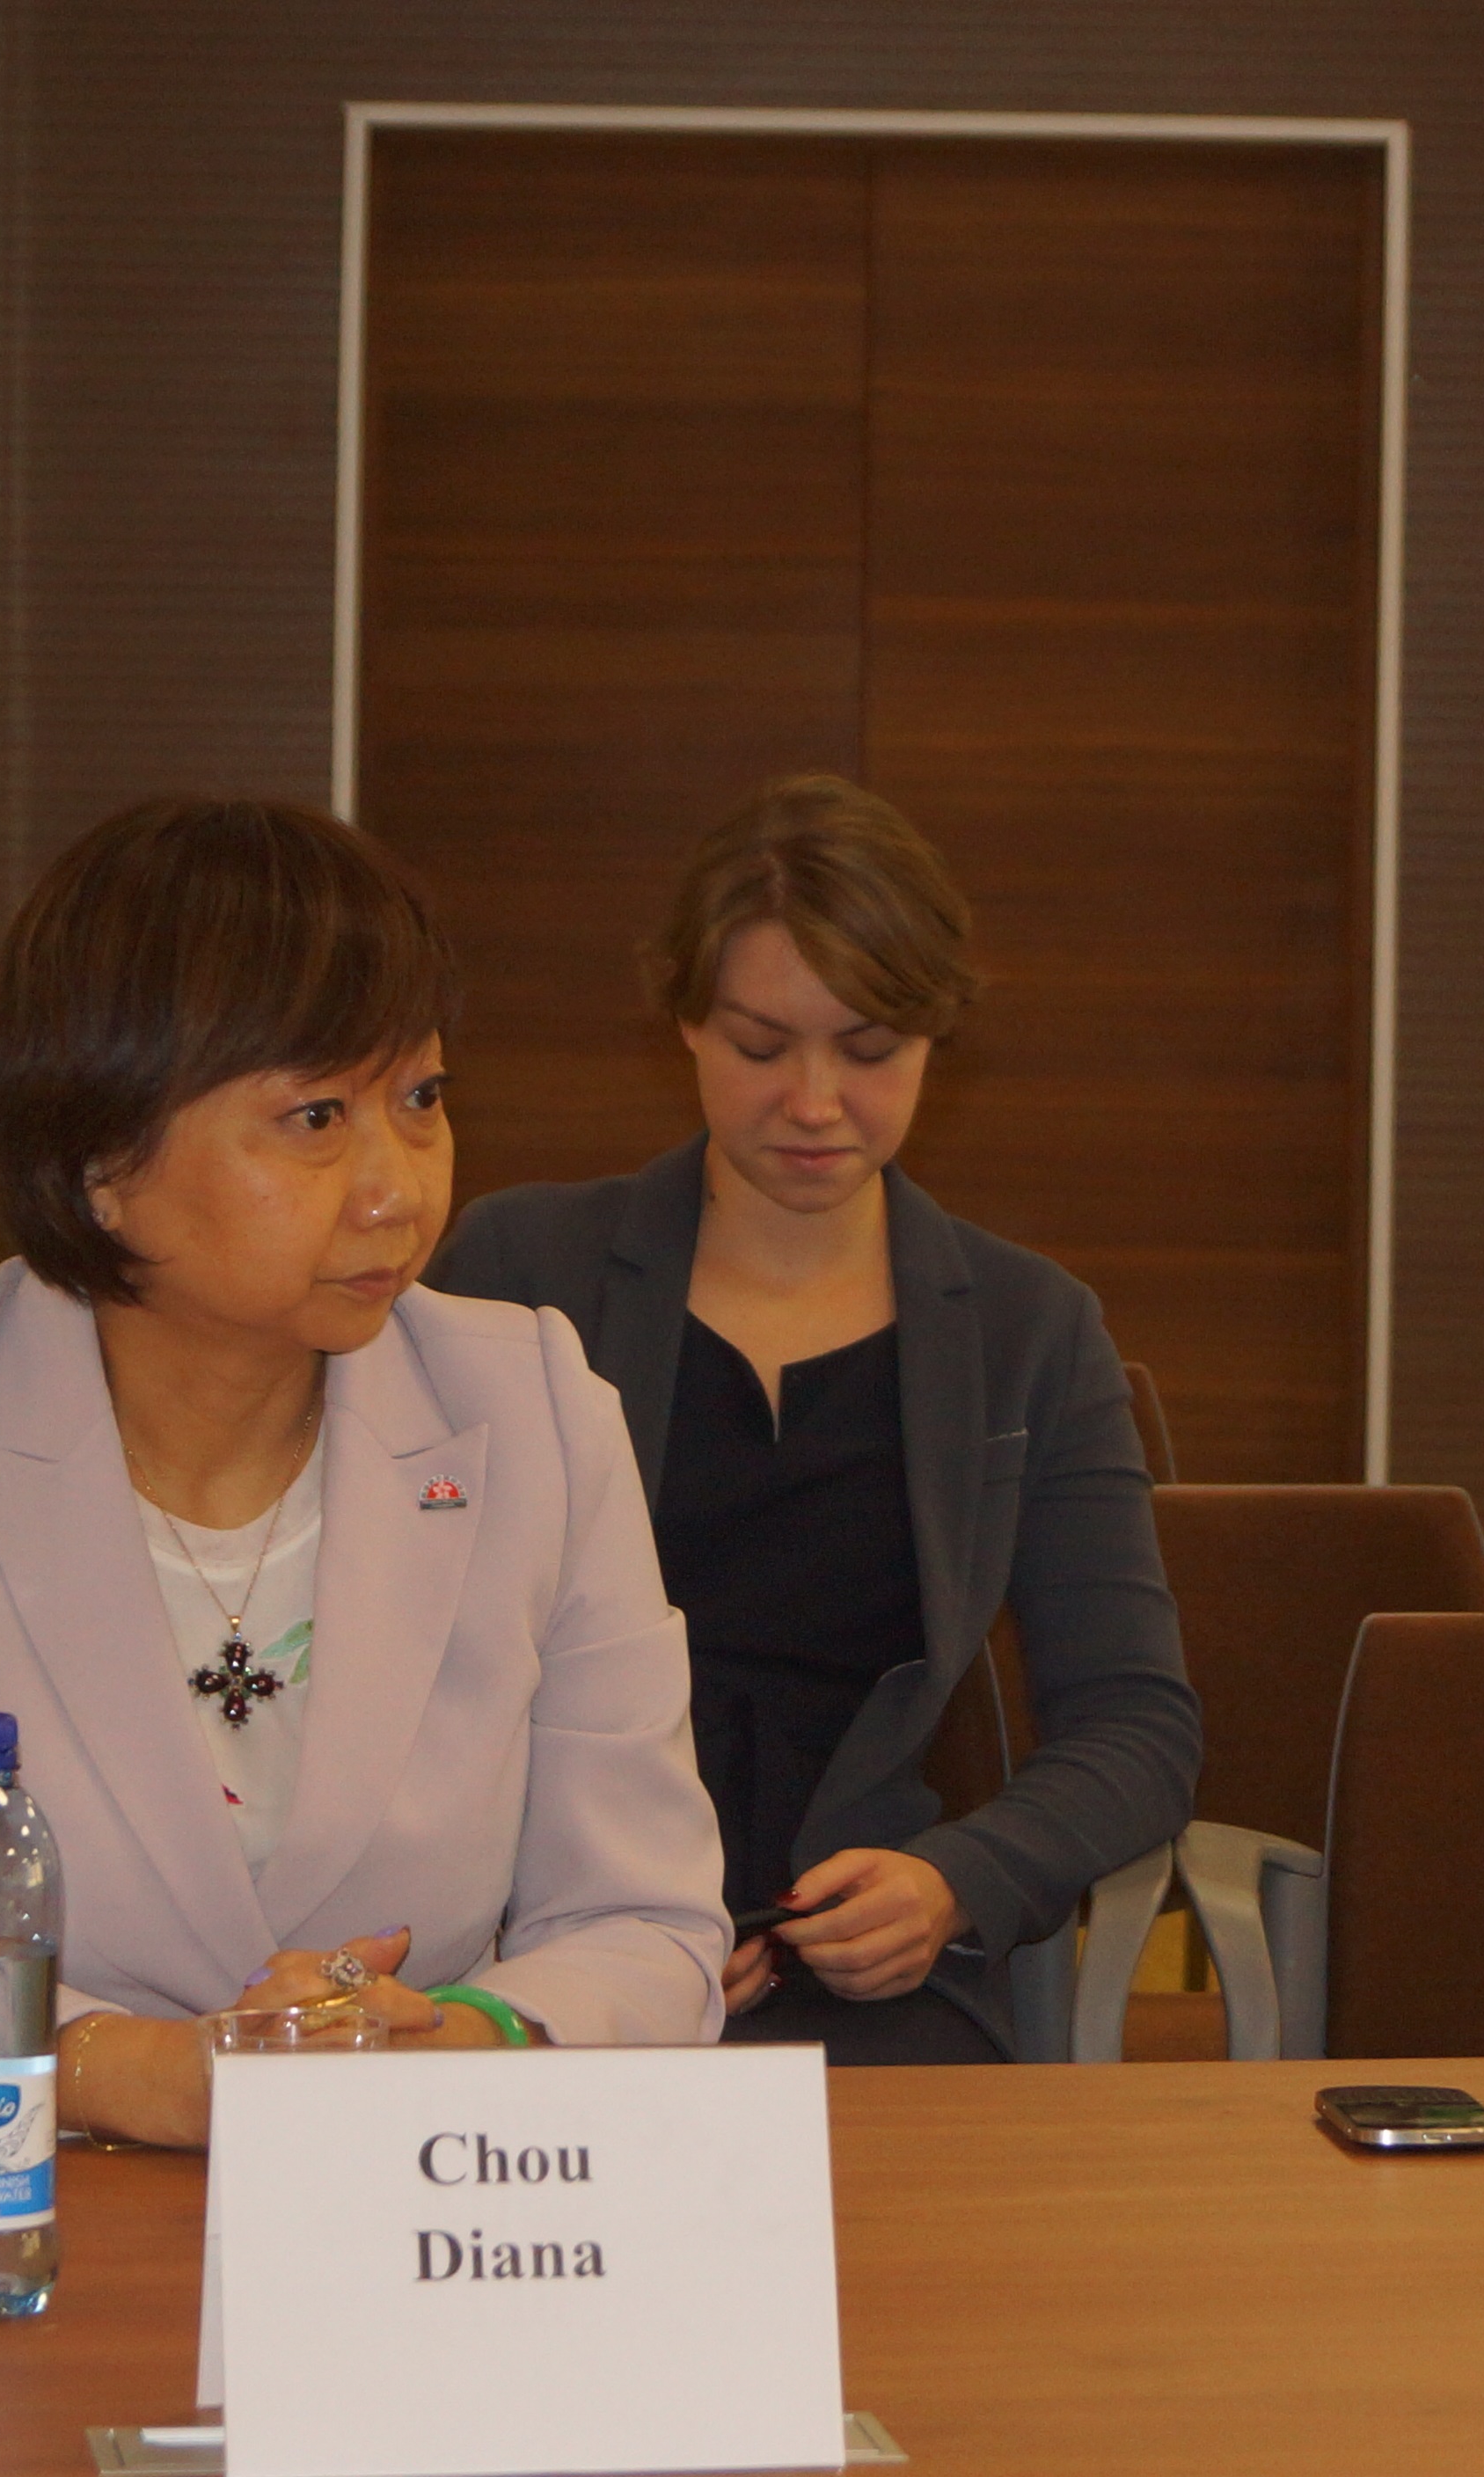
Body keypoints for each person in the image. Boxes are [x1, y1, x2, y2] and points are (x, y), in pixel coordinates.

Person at [0, 798, 726, 2139]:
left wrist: (455, 2038)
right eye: (316, 1117)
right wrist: (150, 2075)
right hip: (9, 2197)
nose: (399, 1188)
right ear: (101, 1156)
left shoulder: (531, 1407)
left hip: (410, 2199)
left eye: (420, 1099)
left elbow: (648, 1927)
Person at [432, 775, 1198, 2065]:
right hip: (554, 1951)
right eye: (760, 1046)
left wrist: (956, 1878)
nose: (814, 1101)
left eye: (870, 1049)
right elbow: (408, 1661)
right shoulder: (523, 1270)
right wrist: (608, 1933)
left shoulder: (1030, 1330)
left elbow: (1139, 1727)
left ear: (935, 1040)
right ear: (686, 1021)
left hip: (872, 1978)